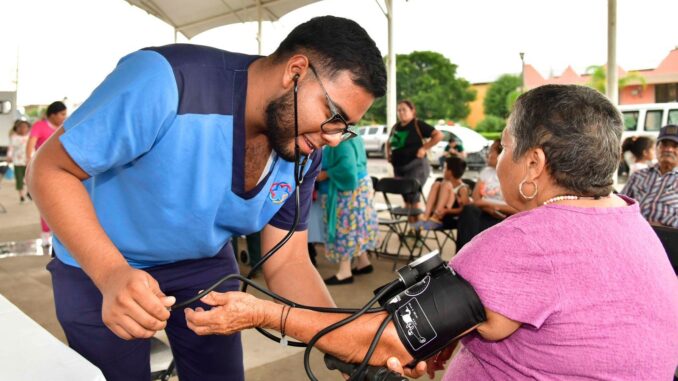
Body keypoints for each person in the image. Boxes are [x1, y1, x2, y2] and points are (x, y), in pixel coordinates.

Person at [184, 84, 678, 381]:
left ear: (534, 163)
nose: (496, 161)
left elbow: (385, 342)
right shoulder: (628, 221)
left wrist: (260, 311)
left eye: (502, 149)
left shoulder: (530, 239)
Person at [26, 16, 386, 381]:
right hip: (100, 260)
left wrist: (348, 342)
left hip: (203, 264)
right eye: (334, 116)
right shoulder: (166, 81)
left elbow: (289, 262)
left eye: (347, 128)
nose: (336, 138)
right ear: (295, 72)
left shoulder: (305, 150)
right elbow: (48, 170)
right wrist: (111, 274)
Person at [317, 136, 378, 285]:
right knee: (358, 226)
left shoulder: (341, 139)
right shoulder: (353, 133)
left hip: (347, 190)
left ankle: (345, 272)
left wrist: (326, 174)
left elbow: (347, 169)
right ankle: (363, 262)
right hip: (359, 187)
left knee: (345, 229)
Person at [386, 100, 443, 221]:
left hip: (416, 166)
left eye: (404, 110)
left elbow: (438, 135)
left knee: (413, 196)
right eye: (399, 110)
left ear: (412, 111)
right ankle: (411, 227)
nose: (401, 113)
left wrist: (424, 148)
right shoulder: (396, 127)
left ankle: (416, 229)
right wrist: (388, 154)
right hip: (399, 167)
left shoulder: (418, 124)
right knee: (406, 198)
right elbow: (389, 142)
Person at [455, 140, 516, 249]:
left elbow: (519, 208)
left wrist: (494, 207)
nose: (488, 153)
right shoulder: (486, 172)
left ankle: (469, 256)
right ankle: (463, 257)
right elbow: (476, 199)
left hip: (504, 218)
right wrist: (490, 208)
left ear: (502, 154)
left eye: (491, 151)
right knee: (469, 210)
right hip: (485, 213)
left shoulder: (515, 175)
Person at [26, 101, 67, 246]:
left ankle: (60, 236)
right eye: (62, 114)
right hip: (45, 172)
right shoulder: (40, 126)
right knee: (48, 204)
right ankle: (45, 235)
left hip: (65, 172)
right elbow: (31, 144)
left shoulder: (64, 127)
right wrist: (29, 164)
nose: (64, 116)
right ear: (53, 114)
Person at [621, 124, 677, 228]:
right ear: (657, 148)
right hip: (634, 231)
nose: (669, 149)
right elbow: (620, 206)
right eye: (664, 144)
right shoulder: (638, 175)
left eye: (675, 146)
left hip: (669, 238)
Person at [414, 156, 471, 230]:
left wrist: (446, 210)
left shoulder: (462, 188)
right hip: (432, 214)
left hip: (448, 217)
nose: (443, 170)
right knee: (437, 184)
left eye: (444, 168)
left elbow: (464, 209)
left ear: (450, 172)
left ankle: (436, 217)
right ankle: (426, 215)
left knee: (447, 185)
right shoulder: (441, 183)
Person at [7, 120, 30, 202]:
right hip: (18, 162)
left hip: (28, 161)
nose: (23, 129)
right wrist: (9, 156)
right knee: (19, 179)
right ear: (17, 128)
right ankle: (21, 195)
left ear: (28, 128)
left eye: (25, 127)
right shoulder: (14, 137)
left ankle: (29, 192)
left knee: (29, 178)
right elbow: (11, 148)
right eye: (21, 127)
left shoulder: (30, 137)